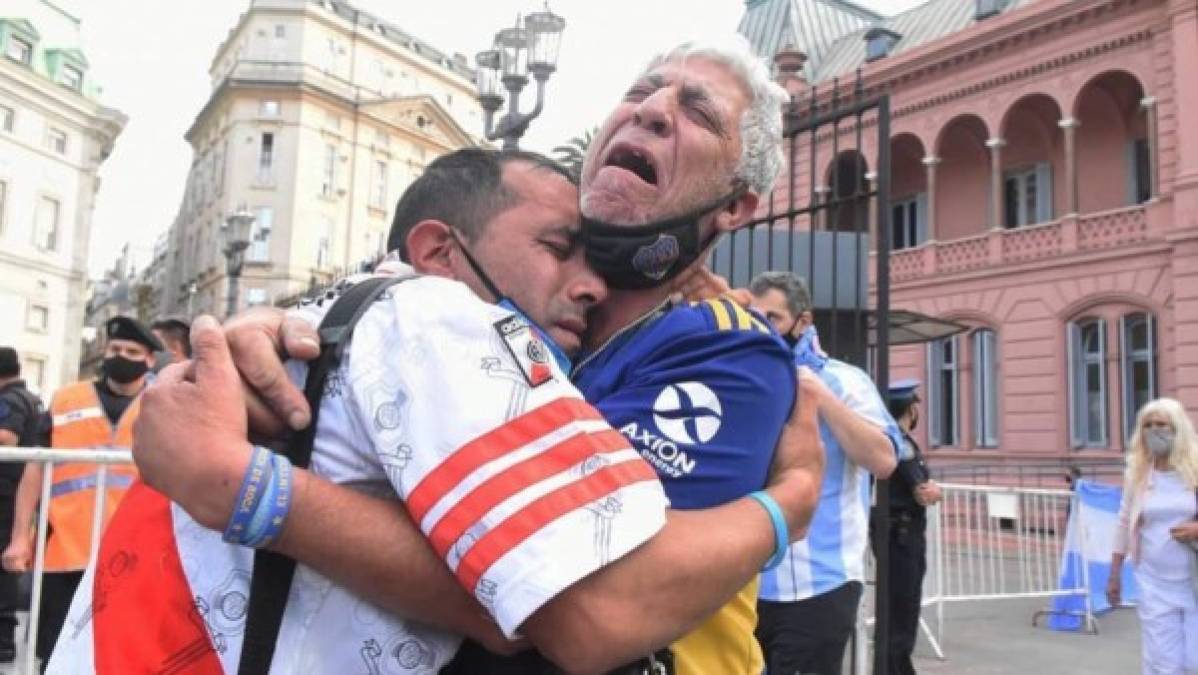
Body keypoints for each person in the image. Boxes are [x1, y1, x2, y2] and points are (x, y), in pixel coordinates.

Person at [54, 147, 822, 674]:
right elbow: (577, 608)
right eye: (561, 246)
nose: (590, 286)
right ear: (439, 252)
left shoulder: (334, 321)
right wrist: (790, 501)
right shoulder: (439, 315)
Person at [748, 271, 900, 675]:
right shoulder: (745, 381)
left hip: (821, 584)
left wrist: (818, 395)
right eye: (754, 318)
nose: (763, 330)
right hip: (746, 584)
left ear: (803, 321)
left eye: (773, 319)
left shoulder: (846, 381)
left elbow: (884, 460)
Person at [2, 317, 156, 672]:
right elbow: (36, 469)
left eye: (132, 351)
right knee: (55, 654)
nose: (121, 356)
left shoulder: (164, 402)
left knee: (121, 653)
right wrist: (18, 538)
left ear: (149, 360)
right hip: (65, 549)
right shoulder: (67, 398)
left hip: (134, 552)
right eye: (115, 349)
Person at [1108, 397, 1198, 675]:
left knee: (1194, 663)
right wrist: (1114, 573)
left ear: (1178, 429)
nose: (1154, 431)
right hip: (1154, 581)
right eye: (1148, 425)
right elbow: (1124, 522)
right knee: (1166, 664)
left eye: (1162, 424)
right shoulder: (1138, 473)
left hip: (1194, 583)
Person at [872, 378, 941, 675]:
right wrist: (935, 491)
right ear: (910, 409)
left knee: (895, 607)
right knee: (902, 608)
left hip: (892, 532)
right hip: (901, 535)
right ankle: (895, 668)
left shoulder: (889, 440)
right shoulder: (899, 443)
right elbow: (922, 492)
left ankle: (890, 665)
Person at [0, 347, 44, 662]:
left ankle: (3, 639)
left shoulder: (10, 399)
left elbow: (6, 437)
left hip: (5, 488)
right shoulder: (31, 398)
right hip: (15, 489)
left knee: (3, 567)